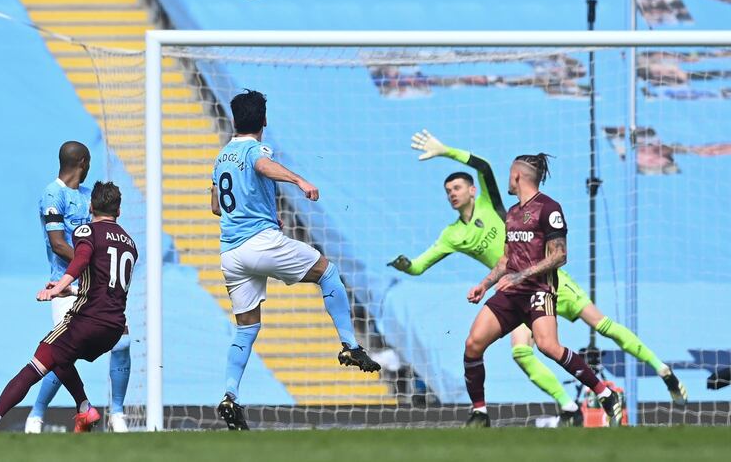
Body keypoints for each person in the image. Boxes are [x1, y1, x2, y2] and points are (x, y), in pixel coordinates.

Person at [390, 131, 687, 425]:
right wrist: (474, 281)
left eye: (457, 187)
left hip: (546, 283)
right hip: (512, 287)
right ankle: (566, 407)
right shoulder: (458, 233)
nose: (452, 193)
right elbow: (429, 266)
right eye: (448, 190)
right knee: (517, 352)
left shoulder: (498, 206)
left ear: (472, 190)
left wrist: (445, 150)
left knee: (600, 326)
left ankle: (662, 371)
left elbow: (483, 167)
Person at [211, 90, 380, 430]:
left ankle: (229, 395)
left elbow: (217, 206)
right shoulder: (255, 149)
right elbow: (262, 164)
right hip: (259, 243)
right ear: (264, 120)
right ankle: (349, 345)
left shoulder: (220, 157)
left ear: (234, 120)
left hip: (231, 253)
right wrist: (299, 179)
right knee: (328, 272)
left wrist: (261, 211)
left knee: (247, 328)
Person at [0, 182, 137, 434]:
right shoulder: (129, 243)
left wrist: (57, 287)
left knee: (36, 363)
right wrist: (71, 290)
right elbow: (108, 288)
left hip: (86, 321)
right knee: (61, 358)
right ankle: (85, 409)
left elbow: (81, 259)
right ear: (118, 211)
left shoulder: (88, 231)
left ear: (91, 206)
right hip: (114, 328)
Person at [26, 141, 131, 433]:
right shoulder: (53, 193)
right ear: (82, 162)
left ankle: (118, 414)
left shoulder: (89, 197)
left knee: (122, 343)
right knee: (61, 354)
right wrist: (93, 264)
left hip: (98, 289)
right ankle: (37, 415)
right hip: (66, 285)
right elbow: (59, 244)